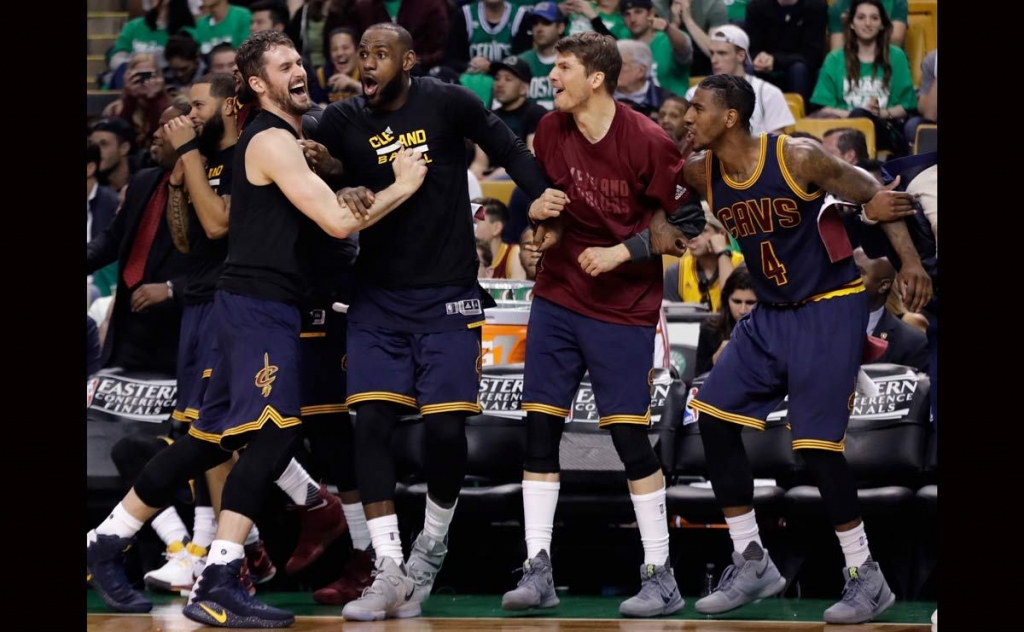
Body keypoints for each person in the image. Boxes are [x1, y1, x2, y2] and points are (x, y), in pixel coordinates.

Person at [86, 29, 428, 628]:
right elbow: (334, 222)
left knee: (208, 439)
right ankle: (220, 576)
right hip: (258, 308)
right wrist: (402, 183)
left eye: (300, 61)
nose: (299, 71)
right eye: (283, 65)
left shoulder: (281, 137)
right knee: (273, 438)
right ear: (254, 83)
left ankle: (106, 541)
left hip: (243, 305)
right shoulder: (270, 140)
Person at [302, 22, 550, 622]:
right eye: (362, 54)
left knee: (443, 434)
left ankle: (429, 549)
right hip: (376, 299)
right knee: (371, 425)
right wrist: (332, 169)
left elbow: (512, 147)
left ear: (408, 60)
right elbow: (299, 143)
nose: (367, 63)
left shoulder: (446, 100)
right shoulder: (341, 119)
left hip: (448, 297)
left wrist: (542, 202)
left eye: (380, 54)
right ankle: (386, 568)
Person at [678, 74, 930, 624]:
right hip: (769, 316)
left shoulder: (798, 157)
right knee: (712, 419)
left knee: (816, 448)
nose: (686, 116)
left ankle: (866, 576)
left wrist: (909, 263)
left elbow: (876, 197)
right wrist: (658, 220)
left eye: (697, 108)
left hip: (827, 305)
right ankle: (750, 559)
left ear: (730, 117)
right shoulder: (700, 172)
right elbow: (665, 201)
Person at [498, 31, 704, 618]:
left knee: (626, 437)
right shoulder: (547, 131)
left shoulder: (647, 140)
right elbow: (560, 208)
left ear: (596, 78)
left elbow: (686, 222)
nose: (552, 76)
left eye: (562, 67)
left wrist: (623, 252)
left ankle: (660, 574)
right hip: (559, 293)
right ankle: (537, 569)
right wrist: (543, 234)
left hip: (623, 305)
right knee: (538, 428)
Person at [694, 266, 756, 376]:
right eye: (737, 302)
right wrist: (716, 358)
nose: (742, 310)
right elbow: (698, 380)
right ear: (727, 300)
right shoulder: (709, 330)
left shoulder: (773, 332)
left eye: (750, 303)